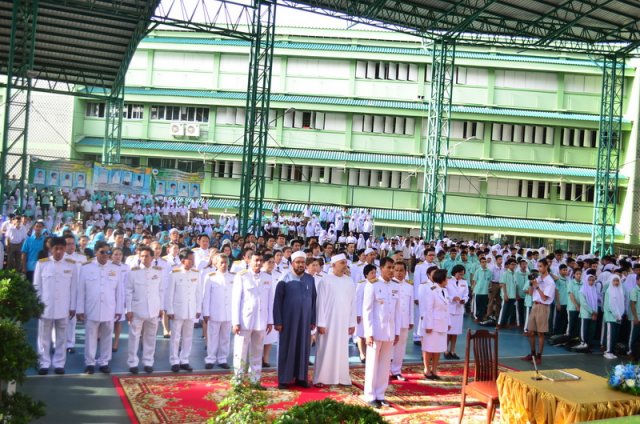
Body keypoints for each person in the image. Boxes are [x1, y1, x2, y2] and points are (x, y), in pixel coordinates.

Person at [77, 241, 124, 374]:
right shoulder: (86, 268)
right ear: (96, 252)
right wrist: (80, 309)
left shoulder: (115, 268)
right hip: (91, 308)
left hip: (109, 308)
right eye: (102, 252)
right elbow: (81, 290)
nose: (105, 255)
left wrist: (119, 309)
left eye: (107, 252)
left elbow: (119, 292)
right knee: (91, 336)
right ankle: (90, 363)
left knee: (107, 336)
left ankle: (104, 362)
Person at [33, 237, 77, 375]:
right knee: (43, 337)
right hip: (45, 306)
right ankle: (43, 363)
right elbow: (36, 287)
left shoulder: (71, 265)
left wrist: (72, 306)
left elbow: (73, 288)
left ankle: (59, 363)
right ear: (50, 249)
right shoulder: (42, 264)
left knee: (62, 337)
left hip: (63, 307)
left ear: (65, 249)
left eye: (61, 249)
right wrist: (37, 305)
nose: (58, 251)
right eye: (55, 248)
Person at [273, 250, 317, 389]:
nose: (300, 265)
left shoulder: (310, 279)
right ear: (292, 263)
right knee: (287, 348)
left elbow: (314, 300)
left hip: (304, 322)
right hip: (288, 321)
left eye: (303, 263)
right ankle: (284, 379)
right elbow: (277, 302)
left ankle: (301, 377)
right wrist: (278, 321)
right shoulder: (284, 279)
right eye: (298, 262)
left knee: (303, 349)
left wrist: (312, 319)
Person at [313, 253, 356, 387]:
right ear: (333, 265)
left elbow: (352, 303)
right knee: (325, 349)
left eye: (345, 263)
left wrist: (352, 323)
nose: (345, 265)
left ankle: (341, 377)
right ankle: (321, 378)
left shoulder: (349, 280)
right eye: (342, 263)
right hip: (328, 322)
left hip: (343, 322)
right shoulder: (325, 280)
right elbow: (320, 304)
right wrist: (321, 323)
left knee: (342, 349)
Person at [362, 257, 401, 408]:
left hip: (390, 331)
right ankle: (370, 395)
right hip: (376, 331)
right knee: (372, 364)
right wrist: (369, 332)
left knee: (385, 364)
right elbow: (367, 310)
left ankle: (381, 394)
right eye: (389, 268)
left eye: (393, 268)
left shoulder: (395, 286)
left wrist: (397, 331)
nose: (392, 271)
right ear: (381, 268)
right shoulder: (372, 285)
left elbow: (397, 312)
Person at [232, 251, 273, 385]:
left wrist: (270, 321)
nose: (259, 263)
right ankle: (238, 379)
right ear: (249, 261)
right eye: (256, 260)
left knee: (257, 351)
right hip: (245, 320)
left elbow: (270, 301)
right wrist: (235, 322)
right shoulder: (242, 276)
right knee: (240, 351)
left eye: (261, 260)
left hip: (261, 320)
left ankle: (255, 379)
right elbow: (236, 300)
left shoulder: (267, 277)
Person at [126, 246, 165, 374]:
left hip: (153, 309)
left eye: (146, 256)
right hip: (137, 309)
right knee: (134, 336)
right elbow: (128, 291)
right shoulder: (133, 272)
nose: (144, 258)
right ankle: (132, 362)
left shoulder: (158, 271)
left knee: (150, 337)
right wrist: (128, 309)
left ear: (152, 257)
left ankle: (148, 361)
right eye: (142, 256)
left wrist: (161, 308)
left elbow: (161, 291)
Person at [166, 249, 202, 372]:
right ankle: (174, 360)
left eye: (193, 259)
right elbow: (169, 293)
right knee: (175, 336)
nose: (192, 262)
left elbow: (198, 293)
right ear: (182, 260)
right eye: (190, 259)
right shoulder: (174, 274)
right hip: (177, 309)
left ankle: (184, 359)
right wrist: (169, 309)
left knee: (188, 336)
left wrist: (198, 308)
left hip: (191, 309)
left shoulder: (196, 274)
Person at [202, 253, 234, 369]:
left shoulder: (233, 277)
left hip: (228, 313)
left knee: (225, 338)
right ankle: (210, 359)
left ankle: (222, 359)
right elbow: (205, 297)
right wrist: (205, 313)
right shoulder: (210, 276)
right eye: (221, 263)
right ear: (215, 264)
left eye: (226, 262)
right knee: (212, 337)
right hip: (214, 312)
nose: (224, 265)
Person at [521, 259, 555, 364]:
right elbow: (531, 293)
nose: (539, 269)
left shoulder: (550, 282)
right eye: (538, 266)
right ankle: (532, 353)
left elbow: (544, 298)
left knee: (540, 333)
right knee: (530, 331)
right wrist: (532, 284)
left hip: (543, 307)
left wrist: (538, 287)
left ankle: (539, 355)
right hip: (535, 305)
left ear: (546, 267)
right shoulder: (538, 278)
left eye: (541, 266)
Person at [421, 269, 450, 380]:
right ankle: (426, 369)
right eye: (446, 278)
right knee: (429, 348)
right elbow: (428, 309)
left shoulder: (445, 291)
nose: (447, 280)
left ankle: (434, 369)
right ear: (442, 279)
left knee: (438, 348)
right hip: (432, 324)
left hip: (442, 323)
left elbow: (447, 308)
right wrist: (428, 325)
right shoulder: (431, 291)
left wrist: (449, 322)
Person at [390, 261, 413, 381]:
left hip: (404, 320)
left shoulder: (409, 286)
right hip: (391, 320)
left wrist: (411, 320)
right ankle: (385, 369)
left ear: (405, 272)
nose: (399, 273)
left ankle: (396, 370)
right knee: (389, 345)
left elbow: (410, 305)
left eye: (401, 271)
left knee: (401, 346)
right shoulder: (389, 285)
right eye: (396, 270)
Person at [445, 264, 468, 359]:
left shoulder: (464, 282)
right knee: (448, 332)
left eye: (462, 274)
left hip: (459, 309)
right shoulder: (448, 281)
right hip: (450, 309)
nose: (460, 276)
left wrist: (464, 300)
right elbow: (445, 294)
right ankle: (445, 350)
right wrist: (452, 298)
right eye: (459, 274)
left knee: (455, 332)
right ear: (455, 273)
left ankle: (453, 350)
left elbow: (466, 294)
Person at [602, 275, 625, 359]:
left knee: (615, 335)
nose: (616, 282)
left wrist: (620, 314)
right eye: (614, 281)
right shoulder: (609, 291)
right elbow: (611, 305)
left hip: (618, 317)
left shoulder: (620, 290)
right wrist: (617, 315)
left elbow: (621, 304)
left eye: (617, 281)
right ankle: (607, 351)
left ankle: (611, 351)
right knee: (610, 335)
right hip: (611, 317)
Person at [574, 273, 598, 351]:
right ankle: (583, 342)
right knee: (584, 329)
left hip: (593, 314)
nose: (591, 282)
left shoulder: (594, 289)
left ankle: (589, 343)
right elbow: (583, 303)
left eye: (592, 280)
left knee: (591, 329)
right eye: (589, 280)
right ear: (586, 281)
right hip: (586, 313)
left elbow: (596, 302)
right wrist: (592, 312)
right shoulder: (582, 290)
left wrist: (595, 312)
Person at [471, 257, 491, 322]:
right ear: (480, 263)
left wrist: (489, 291)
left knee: (483, 306)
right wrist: (473, 290)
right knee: (477, 305)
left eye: (485, 262)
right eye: (482, 262)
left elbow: (490, 282)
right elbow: (474, 281)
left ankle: (481, 317)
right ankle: (476, 317)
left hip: (485, 292)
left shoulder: (489, 271)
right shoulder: (477, 271)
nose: (484, 263)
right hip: (478, 291)